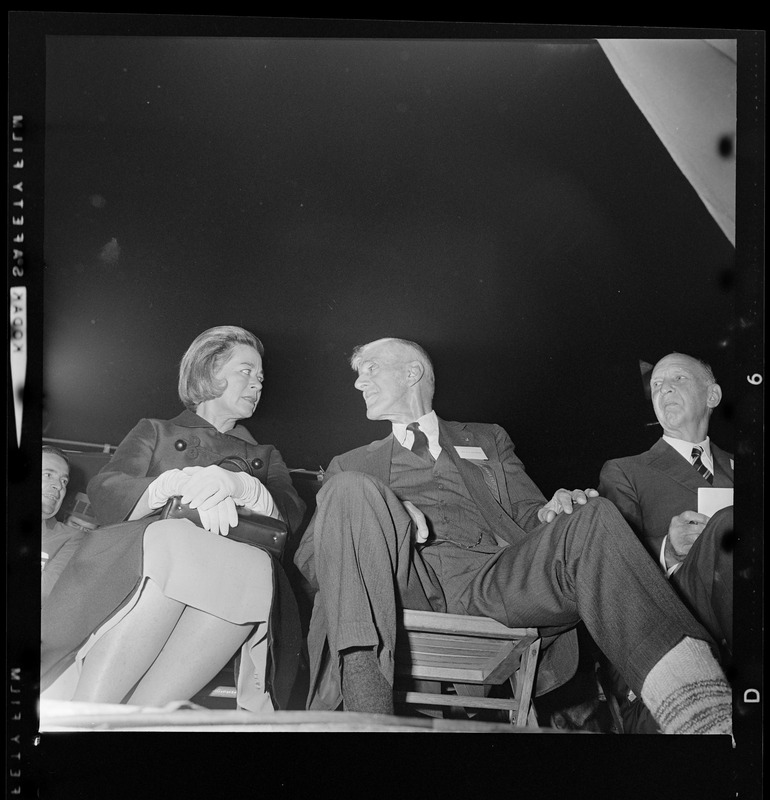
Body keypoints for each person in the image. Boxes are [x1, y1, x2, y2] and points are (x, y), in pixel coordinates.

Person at [294, 337, 732, 735]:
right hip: (404, 584)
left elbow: (529, 514)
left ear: (412, 373)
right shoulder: (349, 465)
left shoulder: (488, 439)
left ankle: (700, 710)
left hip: (493, 579)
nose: (358, 382)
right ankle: (367, 718)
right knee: (351, 490)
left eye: (369, 368)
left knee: (593, 514)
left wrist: (555, 510)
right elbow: (313, 563)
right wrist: (387, 515)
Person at [41, 326, 305, 711]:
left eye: (261, 377)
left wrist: (246, 487)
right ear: (209, 370)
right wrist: (165, 485)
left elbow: (293, 513)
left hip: (227, 576)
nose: (258, 384)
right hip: (145, 563)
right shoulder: (156, 431)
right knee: (174, 541)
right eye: (246, 371)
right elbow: (106, 488)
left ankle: (131, 725)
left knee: (256, 569)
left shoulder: (265, 455)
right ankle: (89, 716)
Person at [597, 352, 734, 733]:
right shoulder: (625, 470)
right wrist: (668, 551)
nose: (664, 388)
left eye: (678, 379)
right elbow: (611, 568)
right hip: (672, 618)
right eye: (657, 384)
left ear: (713, 395)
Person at [41, 446, 86, 603]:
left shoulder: (71, 538)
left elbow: (46, 592)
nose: (59, 486)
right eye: (48, 475)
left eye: (64, 480)